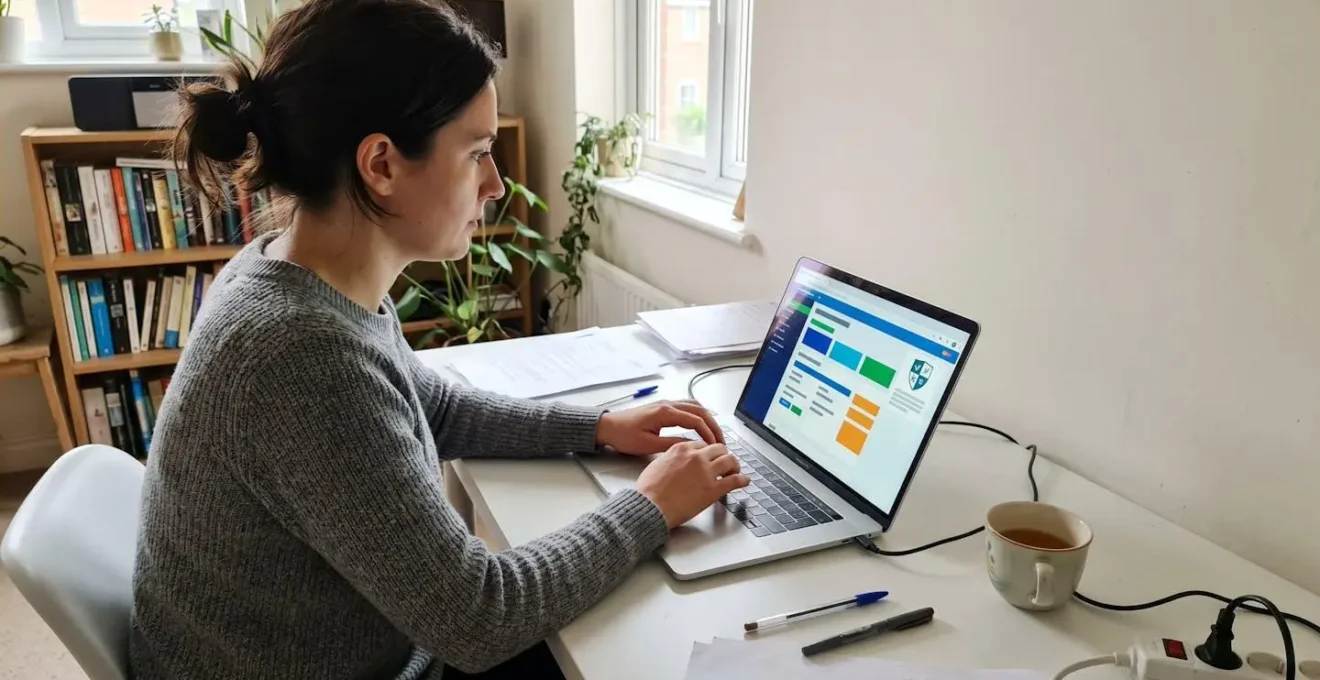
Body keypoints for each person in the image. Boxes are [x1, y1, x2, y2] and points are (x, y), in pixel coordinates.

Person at [128, 1, 750, 678]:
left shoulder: (295, 271)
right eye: (478, 153)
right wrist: (651, 505)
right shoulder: (298, 354)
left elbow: (436, 408)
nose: (496, 183)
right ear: (382, 165)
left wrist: (601, 426)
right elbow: (481, 618)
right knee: (642, 649)